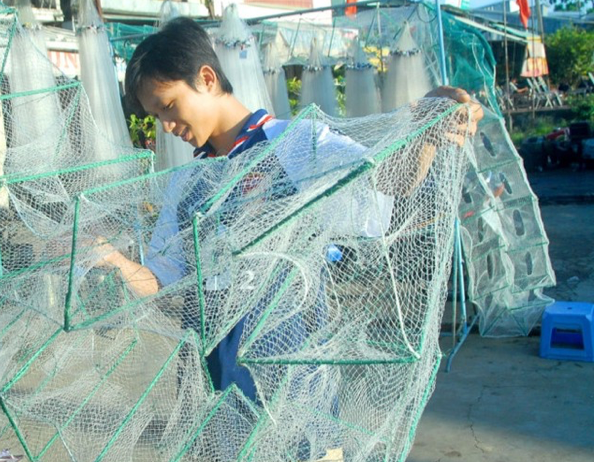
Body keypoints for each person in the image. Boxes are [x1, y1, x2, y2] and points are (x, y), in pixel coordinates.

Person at [92, 17, 483, 402]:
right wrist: (110, 259)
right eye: (156, 116)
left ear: (207, 79)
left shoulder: (296, 144)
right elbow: (162, 280)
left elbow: (386, 181)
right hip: (212, 386)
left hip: (293, 387)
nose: (165, 126)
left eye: (169, 106)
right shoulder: (189, 182)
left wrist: (424, 132)